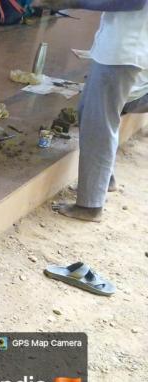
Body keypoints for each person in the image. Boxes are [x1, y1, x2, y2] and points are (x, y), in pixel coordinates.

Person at [33, 0, 148, 221]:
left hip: (123, 51)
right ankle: (104, 181)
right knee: (91, 113)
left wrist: (71, 2)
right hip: (121, 47)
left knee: (99, 122)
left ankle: (90, 206)